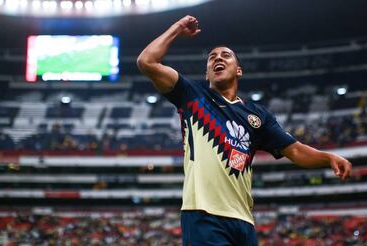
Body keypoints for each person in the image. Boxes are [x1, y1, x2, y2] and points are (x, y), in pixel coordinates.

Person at [137, 15, 352, 246]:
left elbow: (296, 151)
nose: (218, 58)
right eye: (212, 58)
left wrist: (327, 157)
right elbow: (146, 62)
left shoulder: (258, 116)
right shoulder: (191, 96)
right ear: (207, 74)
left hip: (243, 221)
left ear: (238, 70)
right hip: (203, 215)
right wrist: (178, 28)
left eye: (225, 55)